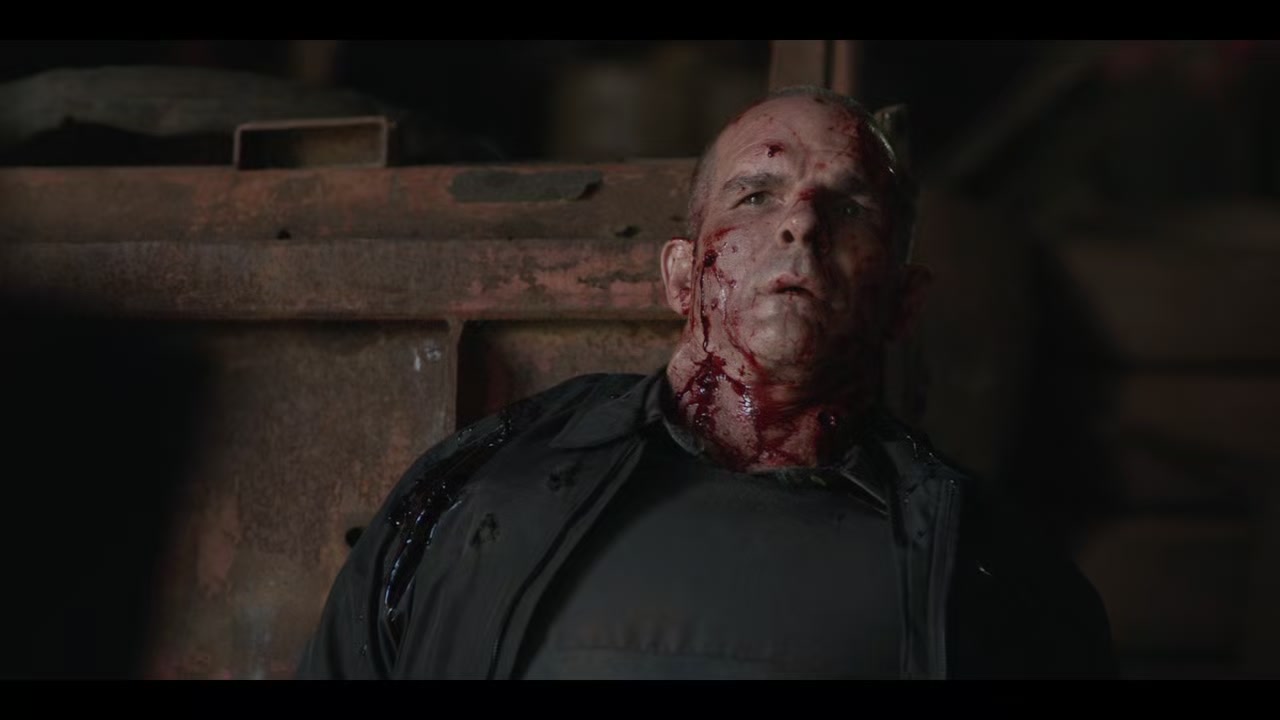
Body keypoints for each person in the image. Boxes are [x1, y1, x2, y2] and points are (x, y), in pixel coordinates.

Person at [296, 85, 1116, 680]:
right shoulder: (472, 488)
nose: (801, 223)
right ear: (680, 275)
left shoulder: (998, 573)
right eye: (756, 195)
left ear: (904, 302)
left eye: (849, 208)